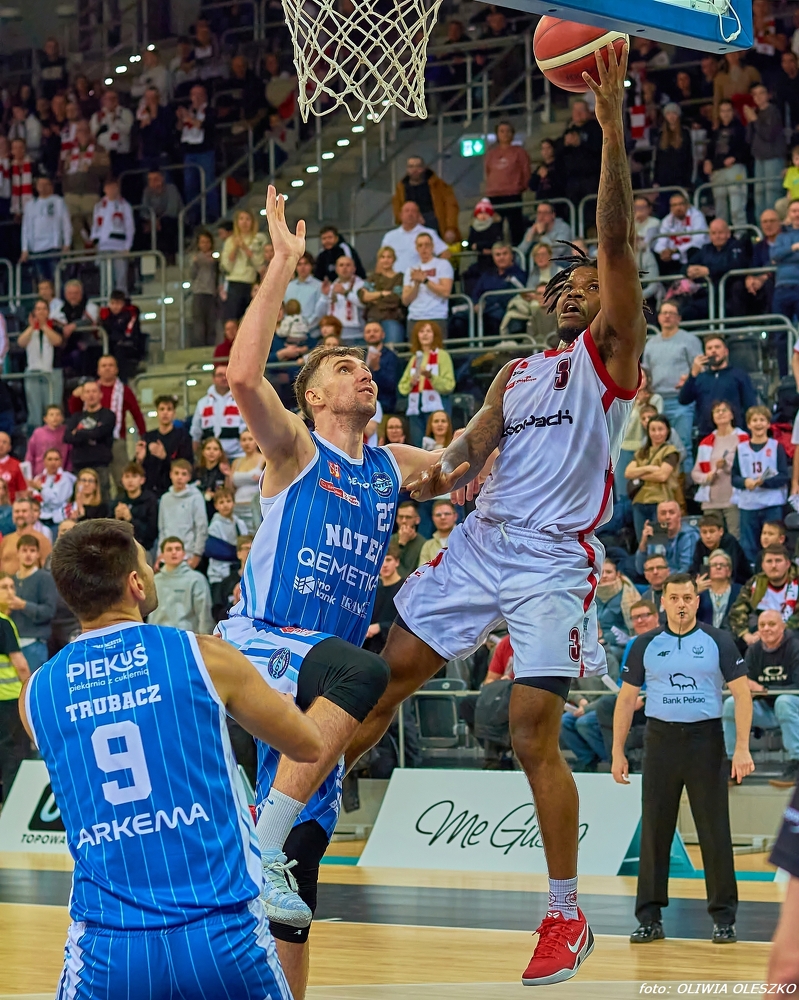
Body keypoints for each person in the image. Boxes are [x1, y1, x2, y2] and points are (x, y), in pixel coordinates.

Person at [345, 45, 647, 987]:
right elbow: (457, 465)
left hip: (552, 560)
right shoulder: (515, 374)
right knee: (381, 683)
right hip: (479, 545)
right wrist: (403, 470)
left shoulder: (609, 359)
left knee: (526, 730)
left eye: (588, 282)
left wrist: (608, 129)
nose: (576, 287)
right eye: (565, 284)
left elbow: (614, 242)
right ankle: (287, 819)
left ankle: (563, 914)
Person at [219, 186, 447, 1000]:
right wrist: (283, 261)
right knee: (365, 671)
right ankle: (260, 839)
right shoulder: (295, 450)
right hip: (264, 645)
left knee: (294, 906)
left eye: (363, 365)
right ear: (314, 396)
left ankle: (271, 867)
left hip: (323, 688)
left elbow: (466, 462)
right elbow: (242, 374)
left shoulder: (390, 465)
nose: (362, 371)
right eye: (343, 367)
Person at [24, 518, 321, 998]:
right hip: (222, 933)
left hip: (108, 945)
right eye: (147, 562)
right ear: (136, 584)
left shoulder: (36, 693)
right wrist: (283, 703)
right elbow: (308, 746)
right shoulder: (205, 655)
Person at [613, 574, 753, 944]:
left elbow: (742, 694)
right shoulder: (645, 644)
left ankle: (724, 918)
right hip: (661, 741)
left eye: (687, 598)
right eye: (674, 597)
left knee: (714, 830)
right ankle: (650, 918)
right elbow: (626, 699)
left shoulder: (718, 640)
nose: (681, 604)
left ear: (696, 601)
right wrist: (616, 751)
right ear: (663, 602)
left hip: (705, 741)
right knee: (655, 830)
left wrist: (741, 748)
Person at [722, 609, 799, 788]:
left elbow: (797, 687)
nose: (766, 629)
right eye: (762, 625)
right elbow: (746, 681)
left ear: (783, 627)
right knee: (731, 704)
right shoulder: (754, 650)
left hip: (792, 707)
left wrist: (764, 690)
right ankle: (733, 764)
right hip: (765, 709)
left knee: (784, 702)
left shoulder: (795, 648)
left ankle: (796, 762)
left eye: (771, 624)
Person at [642, 301, 702, 465]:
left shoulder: (690, 340)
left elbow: (700, 367)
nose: (667, 316)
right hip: (657, 400)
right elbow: (646, 372)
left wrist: (688, 378)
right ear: (659, 317)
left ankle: (685, 480)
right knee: (655, 445)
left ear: (679, 318)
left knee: (683, 444)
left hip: (681, 401)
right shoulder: (650, 344)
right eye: (664, 313)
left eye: (671, 313)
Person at [731, 405, 789, 565]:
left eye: (762, 420)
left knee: (774, 544)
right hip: (749, 505)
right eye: (754, 420)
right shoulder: (741, 448)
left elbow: (784, 476)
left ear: (768, 424)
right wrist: (745, 482)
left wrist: (765, 482)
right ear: (748, 424)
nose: (758, 423)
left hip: (772, 503)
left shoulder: (776, 446)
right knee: (748, 546)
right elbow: (734, 477)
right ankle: (752, 575)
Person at [678, 335, 758, 437]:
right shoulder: (700, 378)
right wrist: (693, 374)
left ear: (726, 351)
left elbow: (750, 405)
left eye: (717, 347)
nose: (713, 351)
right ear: (705, 354)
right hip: (706, 434)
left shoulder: (739, 375)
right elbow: (683, 400)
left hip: (735, 433)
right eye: (709, 348)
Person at [691, 401, 748, 539]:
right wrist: (706, 477)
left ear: (732, 415)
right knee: (712, 539)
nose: (720, 413)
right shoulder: (706, 442)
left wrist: (727, 466)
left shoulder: (743, 439)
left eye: (724, 410)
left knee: (735, 537)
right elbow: (695, 472)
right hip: (710, 501)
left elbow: (747, 468)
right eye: (717, 411)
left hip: (734, 500)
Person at [398, 321, 455, 446]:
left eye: (428, 331)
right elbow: (402, 387)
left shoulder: (443, 355)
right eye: (421, 331)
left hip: (437, 404)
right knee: (418, 445)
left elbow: (449, 385)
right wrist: (411, 382)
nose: (425, 334)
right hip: (416, 406)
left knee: (439, 444)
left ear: (435, 335)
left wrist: (431, 377)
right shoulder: (414, 358)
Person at [729, 545, 799, 645]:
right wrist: (746, 635)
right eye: (769, 561)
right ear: (762, 565)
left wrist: (774, 632)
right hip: (759, 633)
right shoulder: (755, 582)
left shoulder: (796, 582)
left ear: (787, 564)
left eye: (778, 561)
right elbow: (737, 611)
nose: (773, 566)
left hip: (791, 634)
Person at [625, 416, 681, 541]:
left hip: (661, 501)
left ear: (667, 431)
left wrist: (639, 473)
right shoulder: (641, 452)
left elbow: (662, 476)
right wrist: (650, 468)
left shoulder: (671, 451)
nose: (657, 433)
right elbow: (628, 472)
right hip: (640, 500)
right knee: (642, 540)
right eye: (653, 430)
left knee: (659, 540)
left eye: (660, 429)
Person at [684, 218, 750, 320]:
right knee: (687, 312)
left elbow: (736, 265)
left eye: (720, 233)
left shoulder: (737, 246)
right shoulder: (706, 249)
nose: (717, 236)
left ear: (728, 234)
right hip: (708, 294)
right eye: (714, 233)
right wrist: (690, 271)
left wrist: (709, 271)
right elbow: (687, 266)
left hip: (729, 294)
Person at [0, 573, 29, 799]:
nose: (11, 592)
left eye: (12, 587)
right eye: (4, 588)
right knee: (14, 755)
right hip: (9, 700)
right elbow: (20, 665)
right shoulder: (4, 623)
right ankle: (14, 806)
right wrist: (29, 693)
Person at [60, 118, 110, 251]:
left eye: (85, 130)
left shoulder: (99, 149)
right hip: (72, 195)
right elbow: (65, 172)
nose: (82, 133)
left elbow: (106, 170)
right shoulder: (70, 152)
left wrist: (91, 168)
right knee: (75, 228)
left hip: (90, 193)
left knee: (96, 226)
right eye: (79, 131)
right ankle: (80, 256)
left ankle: (100, 254)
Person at [10, 533, 57, 672]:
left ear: (38, 554)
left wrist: (23, 605)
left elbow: (49, 611)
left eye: (32, 550)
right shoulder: (11, 581)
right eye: (24, 550)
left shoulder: (45, 578)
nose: (28, 555)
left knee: (33, 684)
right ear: (17, 553)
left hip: (35, 645)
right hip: (12, 646)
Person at [63, 379, 116, 500]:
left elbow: (99, 433)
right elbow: (67, 437)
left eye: (94, 391)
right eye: (87, 392)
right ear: (82, 396)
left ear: (100, 395)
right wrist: (91, 434)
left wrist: (78, 433)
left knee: (103, 501)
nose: (91, 395)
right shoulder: (76, 417)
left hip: (100, 465)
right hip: (79, 466)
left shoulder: (108, 415)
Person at [149, 535, 214, 633]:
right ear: (162, 555)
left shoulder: (196, 579)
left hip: (186, 636)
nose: (174, 552)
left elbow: (204, 613)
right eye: (169, 549)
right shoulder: (155, 580)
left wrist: (205, 637)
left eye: (178, 549)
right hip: (158, 636)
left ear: (184, 554)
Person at [702, 99, 750, 230]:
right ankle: (721, 235)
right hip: (718, 170)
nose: (725, 114)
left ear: (733, 112)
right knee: (720, 208)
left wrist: (735, 157)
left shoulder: (741, 129)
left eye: (728, 110)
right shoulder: (715, 131)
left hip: (734, 168)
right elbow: (710, 150)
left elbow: (746, 148)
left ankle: (740, 233)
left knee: (737, 205)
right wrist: (707, 161)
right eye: (723, 111)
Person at [135, 394, 194, 497]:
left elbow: (186, 465)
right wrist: (139, 460)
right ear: (157, 412)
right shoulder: (148, 437)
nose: (165, 413)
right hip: (150, 490)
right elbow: (139, 468)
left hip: (173, 489)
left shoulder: (183, 436)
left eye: (169, 409)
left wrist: (164, 457)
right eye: (162, 409)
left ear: (174, 413)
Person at [483, 121, 531, 245]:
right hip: (494, 195)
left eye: (508, 131)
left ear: (513, 134)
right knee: (494, 229)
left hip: (512, 194)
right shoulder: (491, 154)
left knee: (516, 228)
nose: (505, 134)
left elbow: (526, 172)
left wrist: (520, 187)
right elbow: (488, 172)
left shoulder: (519, 152)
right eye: (502, 131)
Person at [391, 155, 459, 239]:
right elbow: (397, 211)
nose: (415, 170)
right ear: (407, 169)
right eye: (411, 166)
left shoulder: (438, 185)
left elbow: (451, 206)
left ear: (424, 168)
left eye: (418, 166)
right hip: (411, 226)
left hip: (435, 225)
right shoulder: (401, 188)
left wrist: (450, 228)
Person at [745, 82, 786, 219]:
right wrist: (750, 122)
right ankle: (761, 228)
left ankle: (775, 225)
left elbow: (769, 135)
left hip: (773, 158)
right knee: (759, 197)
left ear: (768, 95)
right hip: (759, 158)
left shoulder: (773, 111)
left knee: (771, 195)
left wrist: (755, 120)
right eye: (754, 94)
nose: (758, 97)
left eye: (761, 93)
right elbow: (749, 139)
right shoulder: (755, 112)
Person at [178, 84, 218, 224]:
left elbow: (206, 125)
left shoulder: (209, 110)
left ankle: (212, 215)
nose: (195, 98)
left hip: (205, 151)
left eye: (198, 95)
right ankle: (194, 217)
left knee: (208, 184)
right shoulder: (189, 110)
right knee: (190, 186)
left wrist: (189, 118)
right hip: (189, 152)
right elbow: (179, 129)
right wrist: (181, 118)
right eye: (193, 95)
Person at [469, 242, 527, 339]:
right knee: (459, 319)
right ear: (493, 257)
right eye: (498, 255)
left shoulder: (519, 275)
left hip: (502, 310)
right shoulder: (487, 275)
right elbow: (476, 293)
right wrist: (476, 304)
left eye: (505, 254)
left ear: (511, 256)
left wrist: (487, 303)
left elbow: (514, 295)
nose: (501, 257)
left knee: (492, 318)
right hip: (483, 311)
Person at [156, 459, 208, 567]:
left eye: (184, 474)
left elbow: (201, 528)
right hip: (167, 555)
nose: (179, 477)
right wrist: (160, 554)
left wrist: (197, 555)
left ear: (189, 477)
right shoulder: (165, 498)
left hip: (188, 555)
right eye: (176, 473)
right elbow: (162, 529)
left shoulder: (196, 497)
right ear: (170, 475)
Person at [20, 174, 71, 282]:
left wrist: (67, 243)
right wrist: (25, 249)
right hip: (36, 249)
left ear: (51, 186)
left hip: (53, 247)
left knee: (57, 280)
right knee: (42, 282)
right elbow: (26, 228)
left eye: (46, 184)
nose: (43, 187)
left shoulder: (58, 201)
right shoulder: (30, 205)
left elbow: (66, 223)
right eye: (40, 184)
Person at [402, 232, 454, 337]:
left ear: (432, 246)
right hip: (415, 317)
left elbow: (446, 292)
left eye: (427, 245)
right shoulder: (410, 269)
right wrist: (416, 285)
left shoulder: (443, 264)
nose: (423, 248)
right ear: (416, 248)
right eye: (420, 245)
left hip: (437, 316)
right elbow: (405, 300)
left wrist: (425, 281)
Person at [190, 363, 246, 460]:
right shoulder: (203, 403)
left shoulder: (241, 401)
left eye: (226, 375)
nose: (224, 378)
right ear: (213, 378)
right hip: (210, 457)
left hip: (237, 455)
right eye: (220, 375)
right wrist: (195, 457)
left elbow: (246, 430)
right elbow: (196, 432)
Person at [89, 177, 135, 293]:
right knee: (105, 279)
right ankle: (106, 300)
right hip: (103, 246)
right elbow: (95, 225)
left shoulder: (124, 205)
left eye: (114, 187)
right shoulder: (99, 206)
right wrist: (94, 240)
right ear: (105, 189)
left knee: (120, 278)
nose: (112, 190)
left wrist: (127, 246)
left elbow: (130, 227)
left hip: (119, 247)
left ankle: (122, 299)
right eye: (109, 188)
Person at [221, 209, 267, 321]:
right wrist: (235, 248)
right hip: (234, 283)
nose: (244, 222)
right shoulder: (230, 241)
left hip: (252, 282)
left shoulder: (259, 238)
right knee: (233, 319)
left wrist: (245, 248)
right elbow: (226, 266)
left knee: (251, 319)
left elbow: (260, 264)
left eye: (247, 219)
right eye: (241, 219)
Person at [635, 499, 699, 577]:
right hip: (657, 581)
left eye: (671, 512)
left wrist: (663, 577)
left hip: (679, 582)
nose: (667, 517)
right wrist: (643, 542)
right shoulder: (655, 535)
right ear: (658, 517)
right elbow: (640, 569)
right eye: (663, 513)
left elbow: (686, 570)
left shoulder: (689, 535)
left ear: (679, 516)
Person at [381, 202, 449, 275]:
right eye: (407, 211)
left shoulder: (429, 233)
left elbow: (446, 253)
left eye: (413, 211)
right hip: (394, 279)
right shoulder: (389, 236)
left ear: (418, 215)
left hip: (420, 279)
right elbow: (381, 261)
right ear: (401, 215)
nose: (410, 214)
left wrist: (434, 272)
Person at [652, 193, 709, 275]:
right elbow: (660, 242)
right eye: (674, 205)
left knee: (693, 250)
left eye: (681, 204)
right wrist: (663, 251)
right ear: (670, 208)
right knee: (657, 255)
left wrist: (677, 250)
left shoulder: (697, 216)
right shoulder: (667, 220)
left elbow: (698, 241)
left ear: (687, 205)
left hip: (694, 253)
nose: (678, 208)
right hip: (674, 256)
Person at [358, 248, 405, 345]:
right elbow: (362, 296)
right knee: (372, 350)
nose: (386, 260)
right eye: (383, 257)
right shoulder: (373, 278)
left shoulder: (400, 278)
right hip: (373, 319)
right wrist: (382, 294)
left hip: (392, 318)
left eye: (389, 257)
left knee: (393, 349)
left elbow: (395, 299)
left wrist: (373, 297)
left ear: (394, 259)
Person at [206, 486, 248, 587]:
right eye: (221, 502)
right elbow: (216, 551)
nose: (225, 505)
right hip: (219, 575)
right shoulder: (214, 526)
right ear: (216, 506)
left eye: (228, 501)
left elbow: (245, 545)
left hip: (238, 572)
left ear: (234, 503)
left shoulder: (240, 523)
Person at [690, 515, 750, 584]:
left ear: (721, 531)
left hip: (739, 583)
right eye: (704, 532)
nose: (708, 536)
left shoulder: (730, 542)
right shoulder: (700, 544)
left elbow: (731, 572)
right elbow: (694, 569)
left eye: (712, 531)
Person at [89, 89, 134, 182]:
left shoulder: (125, 113)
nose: (111, 101)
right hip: (104, 154)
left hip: (121, 153)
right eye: (108, 99)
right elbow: (94, 133)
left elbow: (128, 130)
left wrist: (115, 120)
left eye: (113, 98)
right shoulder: (97, 116)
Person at [114, 461, 158, 552]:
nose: (130, 481)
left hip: (145, 548)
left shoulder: (150, 500)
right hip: (121, 548)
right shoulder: (118, 500)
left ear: (142, 480)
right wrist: (116, 519)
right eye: (127, 476)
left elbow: (151, 532)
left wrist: (130, 519)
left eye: (134, 476)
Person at [0, 498, 52, 574]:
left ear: (32, 515)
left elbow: (48, 571)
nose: (20, 514)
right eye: (17, 511)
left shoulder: (42, 540)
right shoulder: (6, 540)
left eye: (24, 511)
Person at [141, 169, 183, 263]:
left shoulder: (171, 189)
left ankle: (170, 256)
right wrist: (152, 221)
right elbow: (144, 210)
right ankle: (143, 259)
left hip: (174, 220)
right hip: (154, 221)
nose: (153, 182)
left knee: (167, 224)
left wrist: (157, 221)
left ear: (162, 178)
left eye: (155, 179)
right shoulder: (147, 191)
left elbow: (172, 210)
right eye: (150, 180)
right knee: (141, 227)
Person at [771, 198, 799, 334]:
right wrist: (794, 248)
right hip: (782, 288)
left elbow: (779, 257)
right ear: (788, 214)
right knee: (780, 331)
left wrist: (784, 257)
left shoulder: (781, 239)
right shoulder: (781, 237)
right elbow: (774, 255)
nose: (797, 214)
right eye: (794, 211)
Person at [228, 429, 265, 531]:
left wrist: (262, 479)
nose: (247, 443)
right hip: (237, 505)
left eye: (250, 439)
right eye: (243, 440)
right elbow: (231, 488)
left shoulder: (264, 459)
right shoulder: (236, 462)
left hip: (255, 506)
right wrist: (227, 475)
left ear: (256, 441)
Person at [323, 255, 364, 343]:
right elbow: (320, 312)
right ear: (336, 269)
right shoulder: (331, 286)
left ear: (354, 269)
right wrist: (324, 296)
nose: (344, 268)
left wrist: (346, 293)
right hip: (335, 334)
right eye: (341, 265)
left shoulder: (361, 285)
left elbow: (363, 304)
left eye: (348, 265)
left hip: (355, 334)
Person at [697, 549, 741, 631]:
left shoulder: (739, 591)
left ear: (729, 571)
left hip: (731, 636)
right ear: (708, 569)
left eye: (722, 565)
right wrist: (694, 592)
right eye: (714, 565)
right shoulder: (701, 592)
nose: (718, 567)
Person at [363, 321, 400, 412]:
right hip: (362, 404)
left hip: (385, 405)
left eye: (375, 331)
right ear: (364, 335)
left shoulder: (391, 357)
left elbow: (392, 386)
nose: (372, 334)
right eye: (368, 332)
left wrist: (377, 369)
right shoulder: (360, 356)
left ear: (383, 335)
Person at [35, 447, 76, 528]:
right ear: (44, 461)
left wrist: (41, 489)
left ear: (61, 461)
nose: (53, 462)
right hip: (40, 518)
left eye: (56, 459)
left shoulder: (67, 479)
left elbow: (58, 501)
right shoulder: (38, 478)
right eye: (50, 459)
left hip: (59, 519)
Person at [287, 253, 324, 338]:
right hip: (289, 332)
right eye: (299, 264)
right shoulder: (289, 286)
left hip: (311, 333)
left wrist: (305, 326)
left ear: (311, 266)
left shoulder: (319, 286)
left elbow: (319, 312)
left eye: (306, 264)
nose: (302, 267)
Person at [194, 436, 230, 520]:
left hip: (217, 511)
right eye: (208, 449)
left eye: (215, 449)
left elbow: (228, 492)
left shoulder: (223, 471)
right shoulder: (197, 471)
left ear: (220, 453)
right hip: (199, 509)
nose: (211, 452)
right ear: (203, 452)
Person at [418, 499, 458, 565]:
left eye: (447, 514)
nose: (442, 517)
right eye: (438, 515)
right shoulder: (428, 546)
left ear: (455, 516)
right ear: (433, 518)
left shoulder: (465, 540)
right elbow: (422, 569)